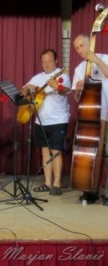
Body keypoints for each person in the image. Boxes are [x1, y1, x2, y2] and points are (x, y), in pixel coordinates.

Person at [20, 49, 71, 196]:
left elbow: (65, 90)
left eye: (50, 61)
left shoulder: (62, 74)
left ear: (56, 61)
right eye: (44, 61)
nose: (47, 64)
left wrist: (58, 87)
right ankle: (47, 183)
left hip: (58, 119)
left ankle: (57, 183)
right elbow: (23, 90)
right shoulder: (37, 77)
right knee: (44, 151)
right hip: (40, 120)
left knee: (56, 151)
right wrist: (27, 89)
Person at [72, 33, 108, 205]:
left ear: (90, 44)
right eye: (77, 48)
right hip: (91, 115)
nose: (80, 50)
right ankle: (91, 190)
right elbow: (77, 98)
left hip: (107, 111)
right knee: (93, 154)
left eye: (82, 46)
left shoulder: (104, 58)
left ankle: (107, 192)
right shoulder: (79, 69)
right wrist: (78, 90)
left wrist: (97, 61)